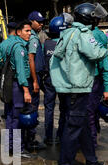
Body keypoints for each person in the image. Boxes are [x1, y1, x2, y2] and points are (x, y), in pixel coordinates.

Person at [50, 3, 108, 165]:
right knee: (73, 127)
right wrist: (107, 52)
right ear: (87, 17)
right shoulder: (84, 34)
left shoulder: (67, 32)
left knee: (82, 123)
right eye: (93, 16)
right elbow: (95, 53)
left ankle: (91, 162)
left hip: (67, 86)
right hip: (78, 87)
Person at [4, 20, 33, 158]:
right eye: (27, 31)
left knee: (10, 116)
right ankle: (17, 149)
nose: (30, 33)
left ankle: (10, 145)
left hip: (11, 84)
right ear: (18, 32)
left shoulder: (9, 44)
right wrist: (26, 90)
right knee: (17, 118)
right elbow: (21, 71)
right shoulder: (19, 48)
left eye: (30, 31)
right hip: (18, 86)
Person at [42, 14, 71, 146]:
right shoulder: (67, 43)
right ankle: (60, 136)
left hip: (49, 80)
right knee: (64, 108)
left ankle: (48, 137)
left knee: (49, 108)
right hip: (63, 80)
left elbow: (41, 64)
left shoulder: (45, 44)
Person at [87, 6, 108, 149]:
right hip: (92, 81)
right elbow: (104, 61)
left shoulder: (71, 34)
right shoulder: (96, 35)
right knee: (91, 114)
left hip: (82, 82)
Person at [27, 11, 46, 151]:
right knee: (32, 108)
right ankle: (30, 140)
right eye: (38, 22)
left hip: (34, 76)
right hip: (33, 76)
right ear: (31, 21)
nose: (41, 24)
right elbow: (31, 59)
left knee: (30, 108)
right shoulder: (33, 38)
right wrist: (35, 81)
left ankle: (27, 139)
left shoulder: (32, 36)